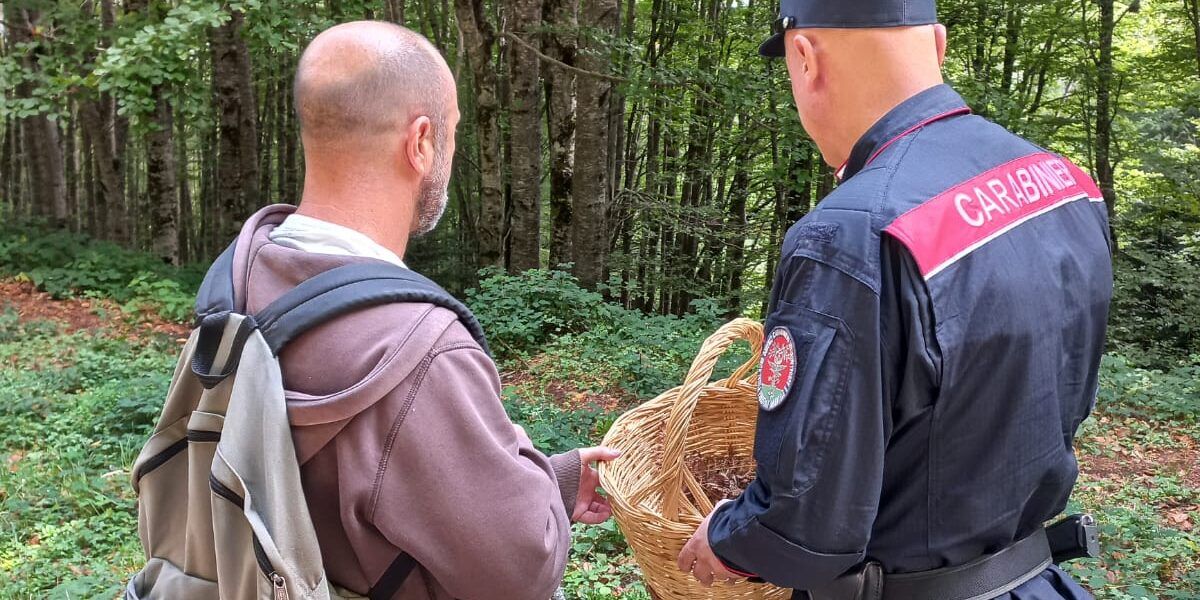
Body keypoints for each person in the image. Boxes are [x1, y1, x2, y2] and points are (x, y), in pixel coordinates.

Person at [676, 1, 1112, 599]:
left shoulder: (853, 233)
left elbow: (804, 523)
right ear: (937, 43)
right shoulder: (1061, 182)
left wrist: (728, 538)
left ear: (804, 57)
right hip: (1037, 583)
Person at [224, 21, 618, 600]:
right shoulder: (421, 350)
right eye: (453, 133)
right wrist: (530, 482)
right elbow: (520, 576)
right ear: (422, 142)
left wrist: (551, 480)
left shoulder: (242, 276)